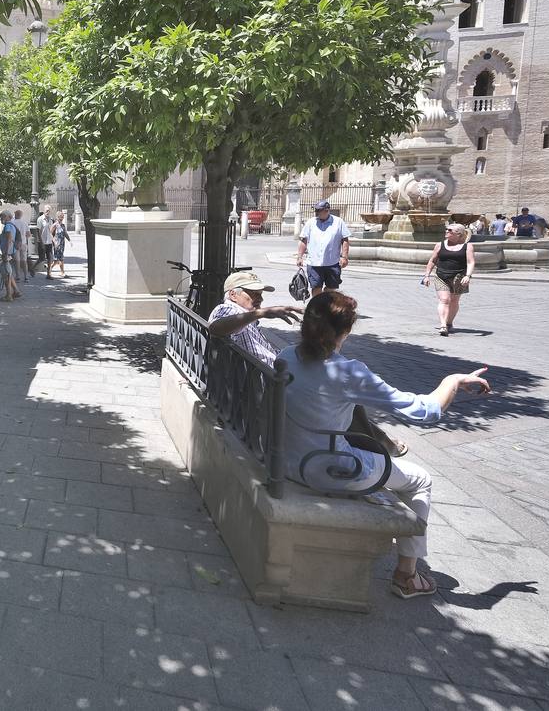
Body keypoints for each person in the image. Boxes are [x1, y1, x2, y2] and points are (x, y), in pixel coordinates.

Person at [279, 292, 491, 599]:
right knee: (421, 480)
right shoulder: (348, 372)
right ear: (346, 331)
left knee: (375, 457)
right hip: (328, 467)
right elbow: (425, 410)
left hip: (287, 459)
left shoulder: (285, 356)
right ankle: (407, 575)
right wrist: (453, 381)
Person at [209, 270, 405, 457]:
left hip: (274, 378)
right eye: (253, 294)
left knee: (344, 397)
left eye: (260, 294)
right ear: (233, 295)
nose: (260, 299)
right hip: (267, 384)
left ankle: (377, 442)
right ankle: (379, 446)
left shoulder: (242, 317)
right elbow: (216, 328)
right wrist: (261, 313)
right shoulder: (227, 308)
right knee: (339, 393)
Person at [420, 223, 476, 335]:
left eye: (449, 230)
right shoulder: (440, 245)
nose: (446, 231)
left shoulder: (468, 246)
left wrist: (468, 276)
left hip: (459, 277)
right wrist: (427, 275)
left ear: (458, 234)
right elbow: (432, 261)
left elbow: (471, 262)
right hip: (441, 276)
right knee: (444, 300)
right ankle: (443, 325)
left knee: (454, 301)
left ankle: (449, 322)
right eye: (446, 229)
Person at [296, 199, 351, 295]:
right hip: (314, 263)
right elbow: (304, 240)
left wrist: (344, 257)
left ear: (327, 210)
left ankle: (325, 302)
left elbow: (345, 240)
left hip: (332, 263)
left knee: (331, 288)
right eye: (316, 210)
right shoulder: (311, 222)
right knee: (316, 287)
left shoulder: (338, 222)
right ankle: (316, 308)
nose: (316, 213)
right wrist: (300, 257)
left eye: (318, 210)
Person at [0, 211, 22, 301]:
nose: (1, 219)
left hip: (7, 253)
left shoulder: (8, 226)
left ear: (7, 217)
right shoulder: (11, 225)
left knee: (6, 274)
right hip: (10, 253)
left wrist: (5, 254)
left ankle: (8, 296)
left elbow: (9, 240)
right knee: (8, 273)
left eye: (2, 216)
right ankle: (16, 291)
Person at [50, 211, 70, 277]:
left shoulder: (63, 225)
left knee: (56, 260)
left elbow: (65, 233)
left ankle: (49, 268)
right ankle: (62, 272)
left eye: (63, 217)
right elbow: (50, 234)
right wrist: (54, 241)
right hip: (57, 244)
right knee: (60, 258)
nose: (62, 218)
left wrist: (69, 240)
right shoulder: (55, 225)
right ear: (57, 217)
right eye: (61, 217)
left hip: (62, 244)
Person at [12, 209, 30, 282]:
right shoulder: (24, 223)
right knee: (24, 261)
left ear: (15, 214)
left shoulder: (12, 223)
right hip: (23, 243)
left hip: (15, 243)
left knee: (17, 261)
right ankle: (26, 277)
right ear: (21, 215)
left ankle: (18, 277)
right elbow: (28, 234)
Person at [37, 206, 55, 277]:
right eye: (46, 210)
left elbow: (52, 231)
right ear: (44, 211)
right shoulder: (40, 219)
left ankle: (48, 274)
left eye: (49, 211)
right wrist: (41, 242)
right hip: (42, 241)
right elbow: (38, 231)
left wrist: (53, 240)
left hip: (49, 242)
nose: (48, 212)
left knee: (50, 258)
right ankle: (32, 268)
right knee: (41, 259)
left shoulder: (51, 219)